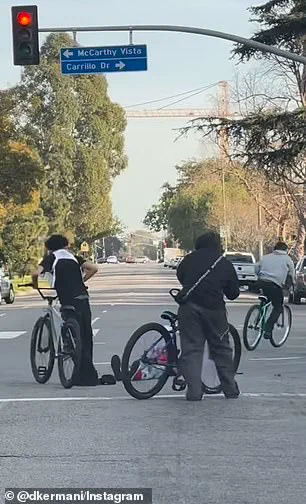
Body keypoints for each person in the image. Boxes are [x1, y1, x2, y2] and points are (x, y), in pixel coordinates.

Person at [176, 231, 240, 401]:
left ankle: (194, 392)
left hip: (189, 308)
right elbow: (233, 293)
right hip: (214, 311)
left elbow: (180, 276)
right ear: (218, 245)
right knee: (221, 349)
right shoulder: (224, 263)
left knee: (191, 350)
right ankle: (230, 389)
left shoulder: (188, 259)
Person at [32, 234, 99, 386]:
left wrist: (35, 284)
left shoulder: (52, 257)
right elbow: (94, 268)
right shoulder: (73, 257)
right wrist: (81, 281)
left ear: (49, 248)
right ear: (66, 246)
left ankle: (68, 348)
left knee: (69, 325)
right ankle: (87, 374)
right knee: (85, 333)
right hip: (83, 296)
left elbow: (36, 273)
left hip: (67, 297)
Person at [255, 241, 296, 340]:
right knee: (278, 307)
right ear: (286, 250)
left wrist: (259, 275)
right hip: (274, 284)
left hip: (261, 282)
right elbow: (292, 272)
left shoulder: (266, 257)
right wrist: (292, 284)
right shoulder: (287, 259)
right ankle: (268, 328)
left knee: (266, 299)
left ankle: (258, 318)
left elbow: (256, 267)